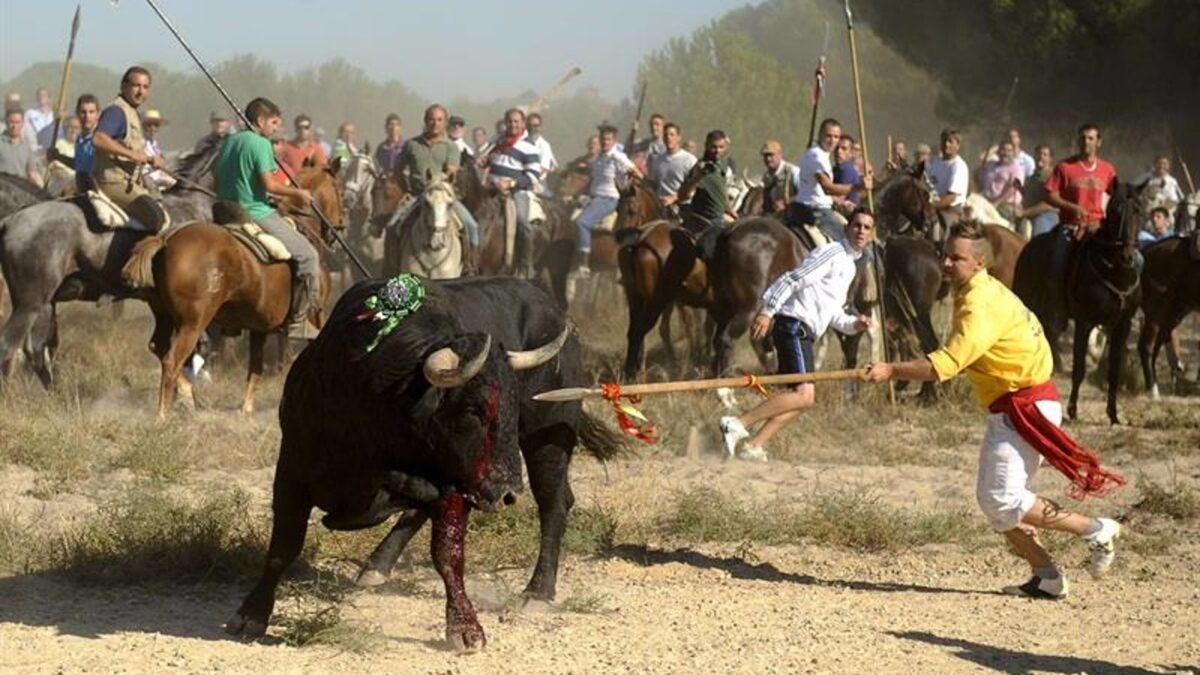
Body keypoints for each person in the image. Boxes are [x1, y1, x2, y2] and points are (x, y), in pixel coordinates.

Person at [865, 220, 1124, 599]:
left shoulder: (978, 304)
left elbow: (944, 367)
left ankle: (1097, 529)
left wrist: (890, 369)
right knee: (999, 505)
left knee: (1000, 499)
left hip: (1025, 406)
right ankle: (1047, 576)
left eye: (957, 257)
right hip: (1016, 405)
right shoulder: (977, 289)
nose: (947, 263)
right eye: (945, 255)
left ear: (980, 262)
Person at [719, 209, 876, 461]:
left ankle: (754, 446)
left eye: (867, 228)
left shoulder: (849, 266)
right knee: (804, 394)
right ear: (847, 229)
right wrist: (768, 310)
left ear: (871, 235)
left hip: (805, 330)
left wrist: (853, 324)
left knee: (803, 399)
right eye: (857, 225)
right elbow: (794, 278)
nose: (861, 231)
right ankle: (737, 423)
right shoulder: (832, 253)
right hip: (794, 325)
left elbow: (833, 313)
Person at [214, 96, 321, 329]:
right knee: (308, 256)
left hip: (223, 210)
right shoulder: (260, 144)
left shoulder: (230, 141)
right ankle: (300, 320)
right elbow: (269, 184)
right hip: (253, 212)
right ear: (261, 121)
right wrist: (298, 194)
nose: (276, 128)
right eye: (274, 123)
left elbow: (219, 177)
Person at [1044, 123, 1118, 297]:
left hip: (1099, 227)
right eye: (1083, 138)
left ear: (1098, 142)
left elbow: (1116, 197)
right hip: (1071, 226)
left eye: (1091, 138)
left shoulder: (1108, 170)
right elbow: (1051, 196)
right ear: (1078, 140)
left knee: (1130, 260)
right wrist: (1072, 207)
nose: (1086, 142)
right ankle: (1056, 306)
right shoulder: (1064, 167)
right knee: (1058, 264)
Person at [91, 66, 168, 232]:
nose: (141, 91)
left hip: (131, 182)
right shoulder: (117, 111)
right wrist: (132, 154)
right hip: (114, 183)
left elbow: (129, 146)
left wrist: (150, 159)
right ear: (123, 86)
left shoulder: (132, 112)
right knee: (156, 219)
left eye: (145, 87)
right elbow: (99, 139)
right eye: (136, 86)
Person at [395, 104, 480, 248]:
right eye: (431, 119)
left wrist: (436, 187)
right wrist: (406, 190)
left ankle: (470, 266)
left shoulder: (451, 147)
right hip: (417, 196)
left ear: (445, 123)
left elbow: (450, 172)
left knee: (471, 226)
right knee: (393, 226)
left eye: (440, 120)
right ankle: (392, 267)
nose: (435, 123)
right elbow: (398, 169)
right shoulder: (412, 144)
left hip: (443, 198)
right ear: (425, 121)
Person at [786, 118, 871, 245]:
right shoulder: (817, 156)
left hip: (815, 206)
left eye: (836, 137)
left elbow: (818, 191)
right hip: (817, 212)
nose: (832, 141)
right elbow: (827, 187)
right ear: (820, 135)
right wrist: (858, 187)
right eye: (828, 136)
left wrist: (836, 200)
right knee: (852, 243)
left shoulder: (820, 154)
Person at [574, 124, 642, 276]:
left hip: (608, 199)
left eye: (608, 139)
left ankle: (583, 265)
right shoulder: (599, 157)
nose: (605, 142)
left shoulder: (617, 157)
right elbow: (592, 180)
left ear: (614, 140)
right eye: (603, 139)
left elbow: (636, 173)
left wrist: (630, 178)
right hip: (593, 197)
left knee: (582, 222)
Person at [478, 107, 543, 251]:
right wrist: (484, 161)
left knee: (522, 222)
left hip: (516, 192)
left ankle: (526, 263)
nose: (513, 125)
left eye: (516, 121)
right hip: (492, 188)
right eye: (510, 121)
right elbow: (492, 162)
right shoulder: (498, 142)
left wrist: (511, 183)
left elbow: (533, 175)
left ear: (523, 123)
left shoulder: (529, 146)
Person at [677, 129, 734, 229]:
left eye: (721, 147)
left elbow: (722, 190)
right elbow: (682, 196)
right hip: (702, 220)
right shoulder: (699, 167)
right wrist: (698, 177)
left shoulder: (722, 166)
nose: (717, 151)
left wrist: (732, 211)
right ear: (707, 146)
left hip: (720, 218)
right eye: (714, 147)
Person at [928, 128, 970, 234]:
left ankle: (940, 249)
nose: (946, 144)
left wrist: (931, 206)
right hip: (933, 208)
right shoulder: (935, 163)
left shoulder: (958, 166)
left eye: (950, 141)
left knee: (937, 231)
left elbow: (951, 198)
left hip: (951, 211)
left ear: (958, 145)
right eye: (944, 141)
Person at [653, 122, 697, 211]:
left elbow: (695, 186)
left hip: (682, 207)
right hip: (660, 206)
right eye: (666, 135)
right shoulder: (657, 160)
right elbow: (654, 183)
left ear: (678, 138)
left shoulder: (689, 160)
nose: (668, 138)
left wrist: (674, 198)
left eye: (672, 135)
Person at [979, 139, 1024, 222]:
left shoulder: (1017, 169)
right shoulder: (990, 165)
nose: (1006, 153)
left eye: (1009, 151)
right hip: (987, 202)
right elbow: (978, 176)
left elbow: (1013, 188)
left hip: (1006, 205)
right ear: (998, 152)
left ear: (1013, 153)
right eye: (1003, 150)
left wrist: (996, 204)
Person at [1020, 144, 1058, 237]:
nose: (1041, 157)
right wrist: (1020, 188)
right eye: (1038, 154)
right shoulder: (1033, 177)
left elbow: (1049, 203)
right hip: (1030, 215)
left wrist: (1024, 213)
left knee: (1037, 242)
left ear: (1050, 158)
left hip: (1046, 216)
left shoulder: (1052, 176)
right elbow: (1031, 197)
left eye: (1045, 155)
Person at [1136, 156, 1186, 223]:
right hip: (1147, 215)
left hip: (1166, 217)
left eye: (1165, 164)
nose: (1162, 166)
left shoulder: (1172, 181)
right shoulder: (1146, 178)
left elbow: (1178, 199)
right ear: (1155, 164)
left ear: (1168, 166)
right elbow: (1136, 192)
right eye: (1159, 163)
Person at [760, 140, 797, 216]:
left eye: (771, 155)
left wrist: (785, 202)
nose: (768, 159)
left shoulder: (792, 171)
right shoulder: (766, 177)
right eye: (765, 156)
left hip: (793, 216)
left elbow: (805, 194)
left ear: (780, 155)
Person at [141, 109, 176, 192]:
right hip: (145, 177)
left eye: (156, 125)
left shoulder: (154, 143)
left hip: (157, 176)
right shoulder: (140, 141)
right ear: (144, 126)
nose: (152, 128)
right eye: (149, 125)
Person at [0, 108, 38, 182]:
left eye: (17, 122)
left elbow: (32, 172)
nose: (14, 126)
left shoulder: (27, 146)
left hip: (20, 189)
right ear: (6, 122)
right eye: (11, 122)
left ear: (22, 123)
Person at [72, 94, 100, 193]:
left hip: (97, 189)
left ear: (97, 114)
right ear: (77, 114)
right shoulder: (79, 139)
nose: (87, 116)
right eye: (83, 112)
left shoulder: (100, 138)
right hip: (82, 188)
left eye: (91, 112)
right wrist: (57, 156)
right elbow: (78, 165)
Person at [832, 133, 863, 215]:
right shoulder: (836, 169)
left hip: (845, 214)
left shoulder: (847, 169)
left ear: (851, 153)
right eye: (837, 148)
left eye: (844, 148)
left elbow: (840, 197)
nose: (839, 151)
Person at [525, 112, 558, 177]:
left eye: (536, 126)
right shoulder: (521, 143)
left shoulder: (544, 145)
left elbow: (543, 169)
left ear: (541, 127)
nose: (532, 128)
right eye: (529, 125)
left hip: (539, 182)